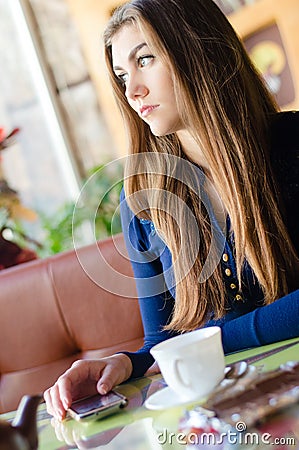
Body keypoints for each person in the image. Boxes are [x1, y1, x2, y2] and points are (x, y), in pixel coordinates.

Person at [44, 0, 299, 420]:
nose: (132, 91)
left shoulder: (292, 146)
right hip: (228, 419)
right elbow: (161, 341)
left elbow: (184, 345)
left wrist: (211, 339)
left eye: (144, 59)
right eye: (122, 75)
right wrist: (126, 364)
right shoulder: (142, 202)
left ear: (198, 48)